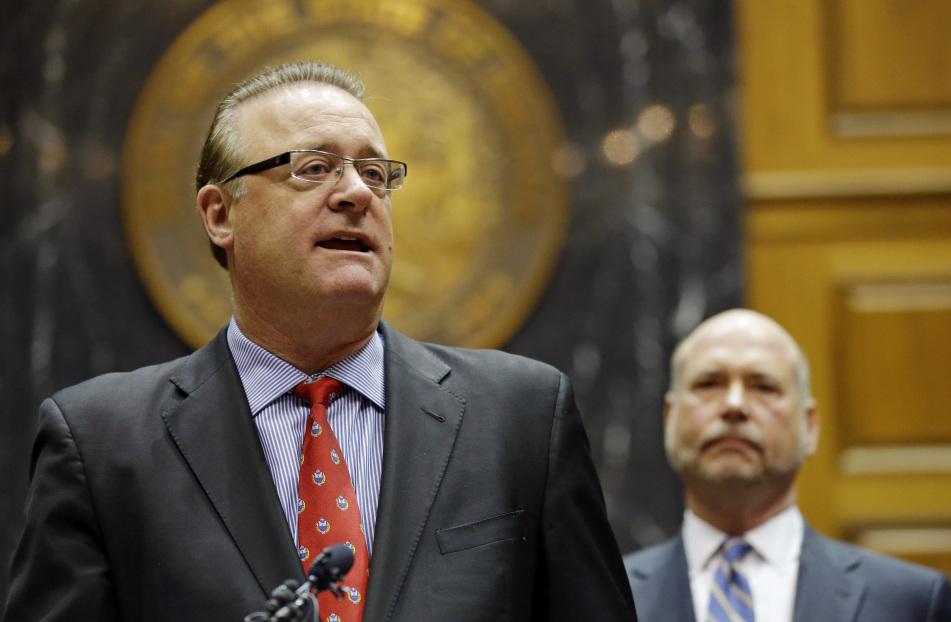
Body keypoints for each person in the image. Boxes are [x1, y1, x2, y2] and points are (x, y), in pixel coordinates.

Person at [3, 62, 636, 622]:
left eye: (375, 172)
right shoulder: (100, 443)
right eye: (314, 168)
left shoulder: (522, 417)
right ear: (220, 214)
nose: (359, 193)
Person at [624, 309, 951, 622]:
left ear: (810, 426)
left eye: (763, 386)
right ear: (670, 418)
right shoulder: (598, 598)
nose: (734, 405)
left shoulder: (910, 603)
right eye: (709, 384)